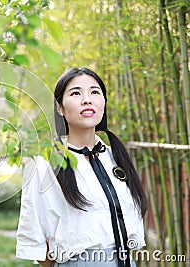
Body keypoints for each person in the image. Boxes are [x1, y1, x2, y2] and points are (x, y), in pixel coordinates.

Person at [16, 67, 147, 267]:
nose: (87, 99)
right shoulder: (43, 166)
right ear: (60, 107)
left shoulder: (116, 157)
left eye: (95, 92)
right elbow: (37, 242)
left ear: (103, 102)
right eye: (76, 93)